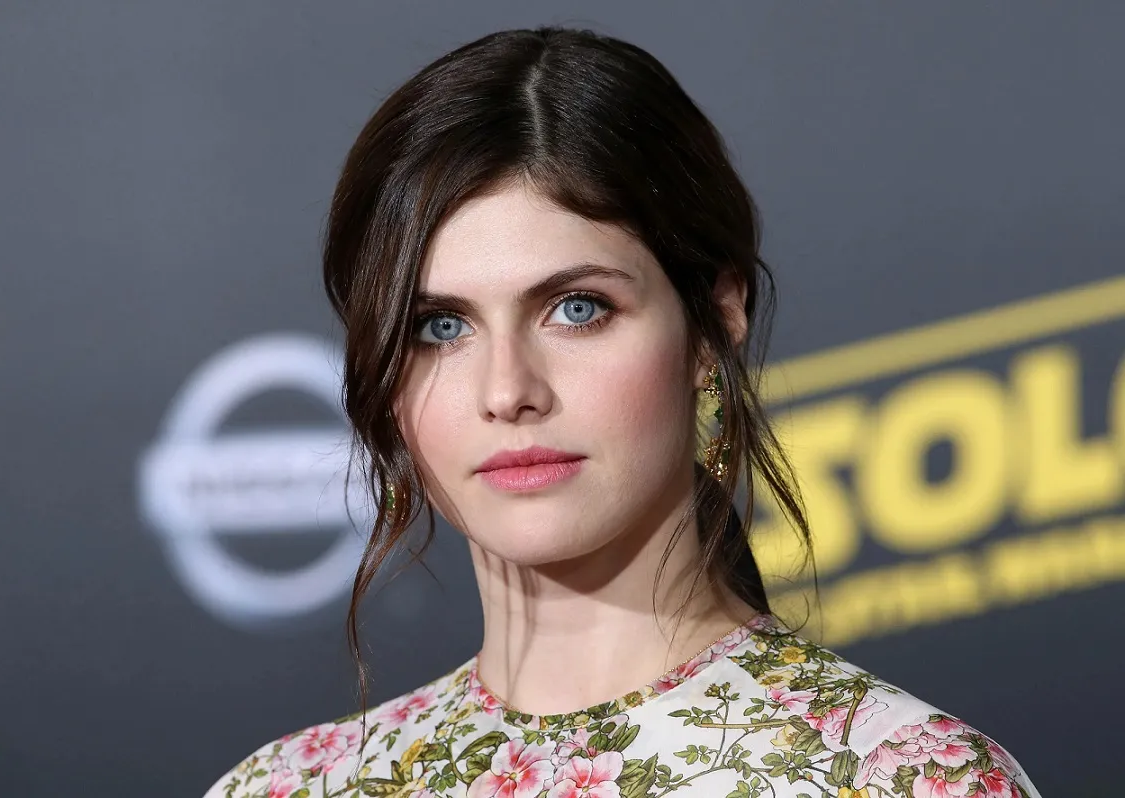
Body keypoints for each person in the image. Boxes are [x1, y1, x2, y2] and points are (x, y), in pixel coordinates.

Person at [204, 26, 1039, 798]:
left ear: (713, 322)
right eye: (440, 327)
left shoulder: (907, 780)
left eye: (576, 309)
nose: (507, 391)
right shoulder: (283, 788)